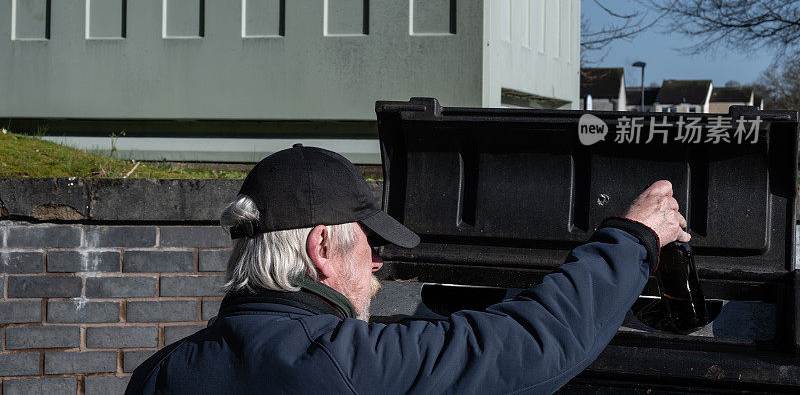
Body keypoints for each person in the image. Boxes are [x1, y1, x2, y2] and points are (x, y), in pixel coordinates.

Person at [126, 144, 689, 394]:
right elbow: (533, 342)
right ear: (323, 248)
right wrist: (635, 237)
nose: (377, 263)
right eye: (369, 244)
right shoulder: (348, 366)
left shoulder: (160, 374)